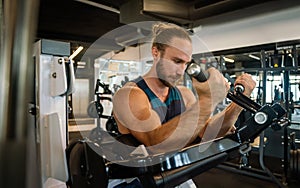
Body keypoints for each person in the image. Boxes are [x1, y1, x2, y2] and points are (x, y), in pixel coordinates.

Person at [111, 22, 256, 187]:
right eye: (176, 61)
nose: (181, 71)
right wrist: (208, 100)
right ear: (156, 52)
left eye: (186, 63)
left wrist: (238, 103)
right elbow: (155, 144)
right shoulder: (129, 95)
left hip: (174, 174)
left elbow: (208, 134)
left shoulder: (184, 94)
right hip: (137, 181)